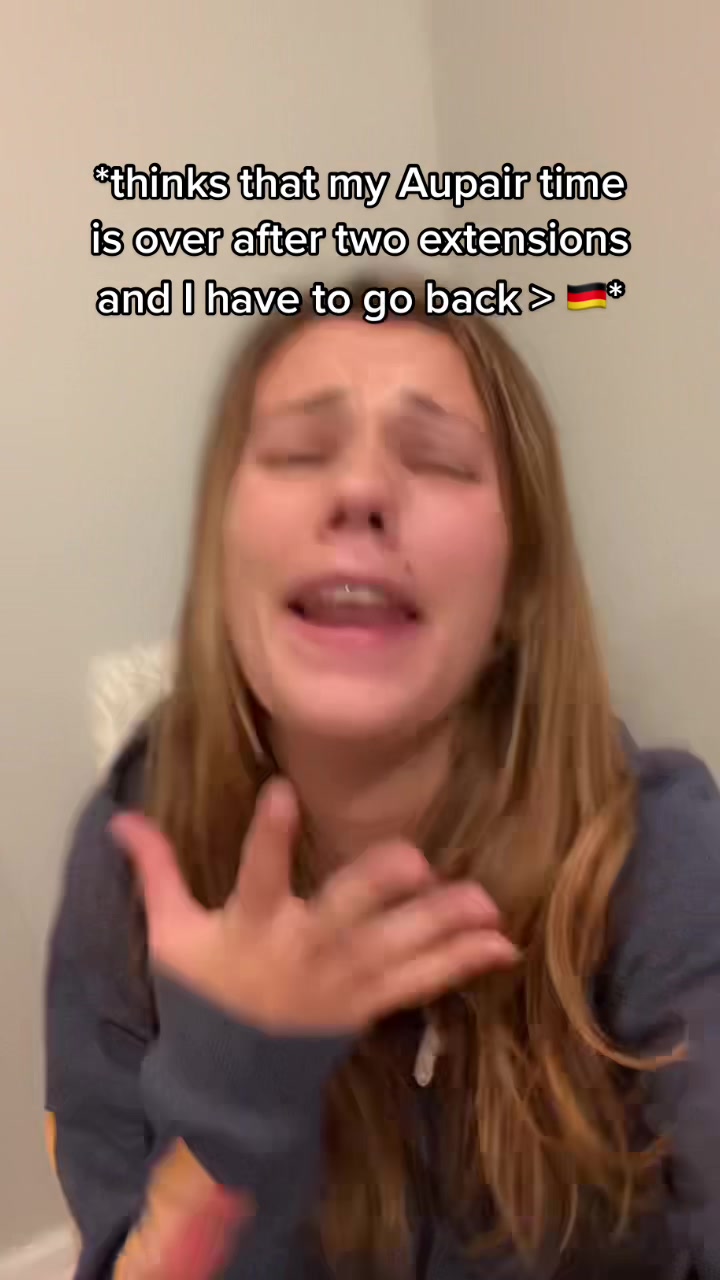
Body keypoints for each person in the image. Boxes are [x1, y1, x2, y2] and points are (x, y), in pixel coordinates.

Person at [44, 272, 720, 1280]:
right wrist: (233, 1098)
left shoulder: (661, 851)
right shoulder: (136, 859)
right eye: (296, 452)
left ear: (516, 592)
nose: (359, 492)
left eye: (438, 459)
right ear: (224, 556)